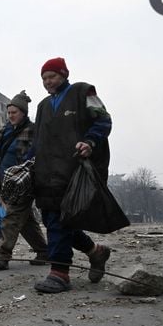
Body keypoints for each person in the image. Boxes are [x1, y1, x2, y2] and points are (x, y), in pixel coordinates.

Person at [31, 57, 113, 293]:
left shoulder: (83, 92)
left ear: (64, 74)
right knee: (54, 220)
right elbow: (38, 140)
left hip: (73, 169)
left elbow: (104, 120)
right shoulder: (43, 105)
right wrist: (26, 163)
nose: (47, 82)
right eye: (44, 78)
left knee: (58, 220)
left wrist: (90, 141)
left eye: (52, 76)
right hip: (46, 172)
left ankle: (60, 273)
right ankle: (96, 252)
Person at [0, 91, 48, 270]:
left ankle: (2, 254)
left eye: (15, 112)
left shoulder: (33, 130)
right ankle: (44, 251)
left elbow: (38, 155)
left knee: (12, 216)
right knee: (26, 221)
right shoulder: (3, 132)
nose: (11, 115)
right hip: (7, 181)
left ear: (23, 113)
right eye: (9, 112)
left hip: (25, 181)